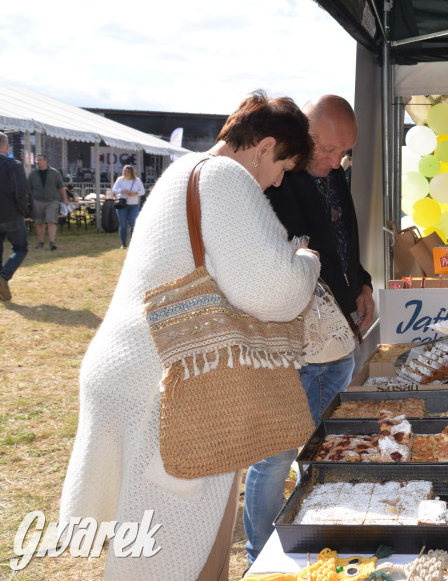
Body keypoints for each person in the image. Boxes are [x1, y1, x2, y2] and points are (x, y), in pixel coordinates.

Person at [60, 91, 320, 580]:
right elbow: (273, 290)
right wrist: (305, 261)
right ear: (263, 147)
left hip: (133, 371)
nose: (278, 181)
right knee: (180, 556)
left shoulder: (182, 171)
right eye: (281, 166)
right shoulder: (225, 177)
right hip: (170, 386)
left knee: (146, 545)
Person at [244, 94, 375, 565]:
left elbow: (342, 239)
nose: (334, 160)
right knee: (274, 455)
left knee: (320, 445)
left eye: (343, 152)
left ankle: (307, 531)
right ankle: (261, 555)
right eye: (326, 149)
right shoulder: (278, 173)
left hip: (337, 340)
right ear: (305, 131)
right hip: (291, 348)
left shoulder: (333, 173)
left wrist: (361, 281)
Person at [0, 132, 32, 301]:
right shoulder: (14, 165)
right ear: (6, 147)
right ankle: (4, 276)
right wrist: (23, 211)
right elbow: (21, 192)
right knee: (21, 248)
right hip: (11, 213)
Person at [27, 154, 68, 251]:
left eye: (40, 160)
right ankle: (41, 242)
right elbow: (28, 189)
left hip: (52, 201)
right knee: (40, 223)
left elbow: (61, 186)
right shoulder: (32, 174)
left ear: (46, 161)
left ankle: (52, 242)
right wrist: (29, 201)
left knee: (51, 222)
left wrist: (65, 198)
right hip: (38, 201)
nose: (38, 162)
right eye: (37, 160)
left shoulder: (55, 173)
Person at [111, 164, 146, 248]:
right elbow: (114, 190)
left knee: (133, 223)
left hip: (133, 205)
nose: (124, 172)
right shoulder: (120, 179)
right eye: (123, 171)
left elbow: (143, 191)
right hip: (122, 205)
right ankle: (123, 243)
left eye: (126, 171)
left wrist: (136, 193)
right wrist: (121, 191)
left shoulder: (137, 180)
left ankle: (133, 242)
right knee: (123, 224)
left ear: (131, 172)